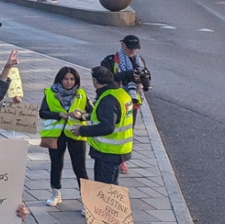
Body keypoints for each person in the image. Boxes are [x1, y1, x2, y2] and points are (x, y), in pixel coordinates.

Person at [68, 66, 133, 185]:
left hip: (108, 151)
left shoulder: (108, 99)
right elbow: (104, 116)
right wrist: (83, 116)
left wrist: (82, 130)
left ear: (95, 81)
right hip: (119, 149)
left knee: (104, 188)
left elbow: (107, 126)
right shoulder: (120, 93)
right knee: (111, 186)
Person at [39, 66, 91, 207]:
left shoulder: (81, 94)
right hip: (56, 134)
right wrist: (58, 115)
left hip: (76, 133)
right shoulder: (50, 92)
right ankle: (56, 193)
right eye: (66, 79)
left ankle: (86, 201)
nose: (69, 82)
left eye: (72, 79)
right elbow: (42, 113)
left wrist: (81, 116)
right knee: (56, 164)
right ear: (60, 79)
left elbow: (92, 114)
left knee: (79, 167)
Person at [100, 34, 152, 113]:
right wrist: (126, 75)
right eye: (130, 48)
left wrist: (142, 78)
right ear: (122, 45)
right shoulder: (110, 60)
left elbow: (147, 76)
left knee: (129, 125)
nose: (132, 50)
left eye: (135, 48)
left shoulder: (139, 61)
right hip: (115, 101)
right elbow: (103, 79)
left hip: (133, 102)